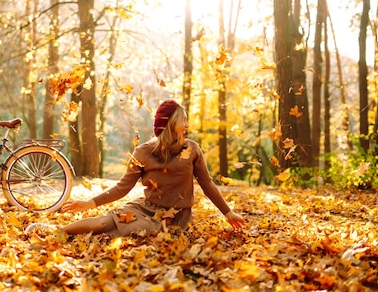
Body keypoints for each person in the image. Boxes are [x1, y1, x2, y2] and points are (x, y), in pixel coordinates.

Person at [26, 99, 245, 237]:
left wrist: (228, 212)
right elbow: (122, 188)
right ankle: (57, 232)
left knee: (143, 230)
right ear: (170, 124)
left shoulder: (192, 149)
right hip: (145, 208)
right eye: (183, 120)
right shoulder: (143, 152)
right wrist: (88, 203)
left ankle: (98, 232)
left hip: (175, 218)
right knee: (105, 222)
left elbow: (207, 184)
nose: (187, 125)